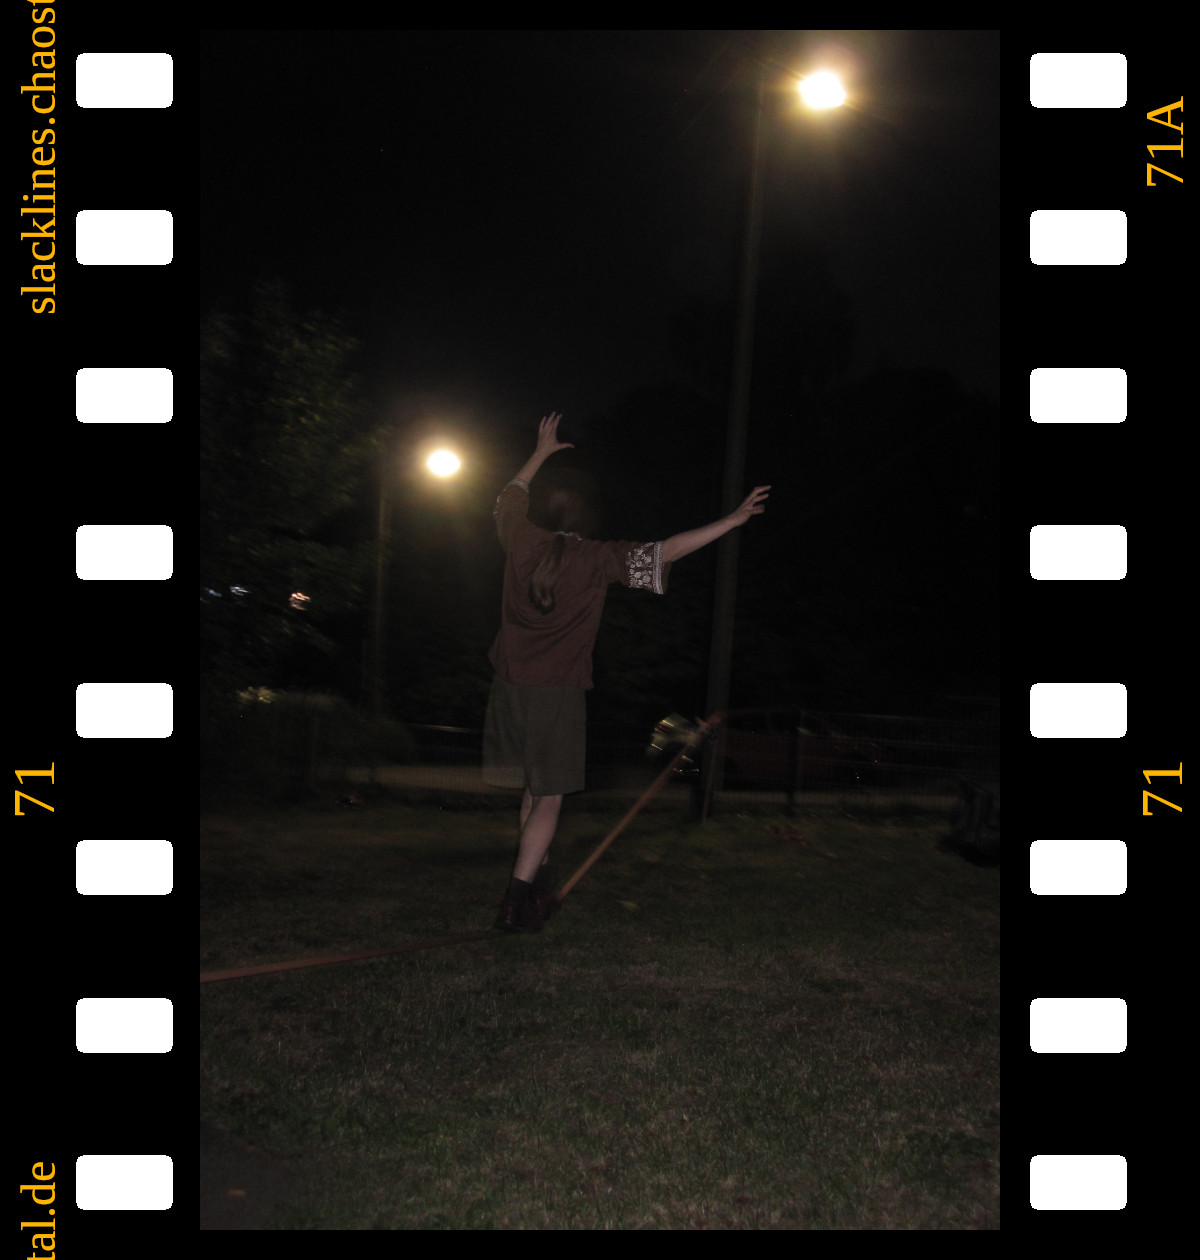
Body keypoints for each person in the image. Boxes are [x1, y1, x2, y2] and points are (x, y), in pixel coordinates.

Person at [484, 412, 769, 931]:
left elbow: (508, 496)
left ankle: (535, 898)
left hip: (508, 689)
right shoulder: (597, 559)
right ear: (588, 519)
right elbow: (667, 551)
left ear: (545, 512)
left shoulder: (519, 538)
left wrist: (540, 453)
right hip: (557, 694)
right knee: (549, 799)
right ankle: (513, 902)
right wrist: (730, 522)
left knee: (532, 793)